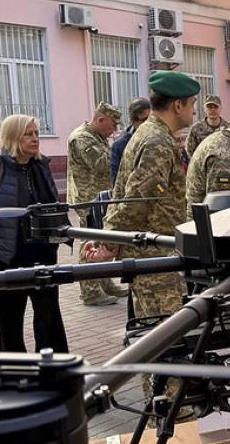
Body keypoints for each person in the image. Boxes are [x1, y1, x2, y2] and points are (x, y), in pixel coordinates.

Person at [83, 70, 199, 320]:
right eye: (193, 104)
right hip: (154, 254)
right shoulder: (157, 141)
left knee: (154, 330)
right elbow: (138, 201)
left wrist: (110, 238)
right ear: (177, 105)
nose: (194, 111)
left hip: (153, 250)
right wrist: (109, 243)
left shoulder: (150, 133)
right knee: (164, 334)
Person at [0, 114, 68, 353]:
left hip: (42, 255)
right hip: (5, 257)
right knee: (10, 324)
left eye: (36, 133)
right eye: (28, 134)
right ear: (13, 136)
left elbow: (52, 205)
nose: (35, 138)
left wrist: (60, 237)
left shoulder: (40, 165)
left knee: (50, 320)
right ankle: (17, 376)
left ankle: (55, 372)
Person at [66, 101, 129, 306]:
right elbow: (103, 165)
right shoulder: (82, 138)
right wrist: (122, 148)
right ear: (100, 119)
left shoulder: (96, 137)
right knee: (90, 242)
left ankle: (104, 282)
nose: (114, 130)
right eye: (112, 125)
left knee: (102, 239)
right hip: (88, 200)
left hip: (99, 198)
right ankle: (90, 291)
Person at [110, 97, 151, 186]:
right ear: (133, 121)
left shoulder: (160, 139)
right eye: (145, 120)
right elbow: (116, 181)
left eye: (151, 119)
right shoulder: (120, 146)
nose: (150, 123)